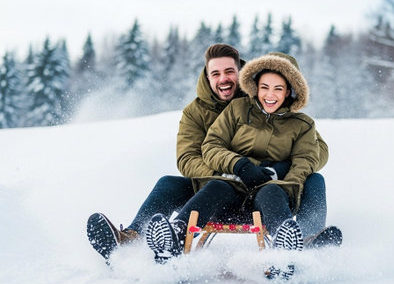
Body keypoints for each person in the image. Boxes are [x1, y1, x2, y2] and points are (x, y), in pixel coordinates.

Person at [87, 44, 333, 262]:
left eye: (230, 72)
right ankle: (133, 239)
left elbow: (315, 150)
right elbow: (188, 158)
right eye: (216, 73)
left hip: (268, 189)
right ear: (207, 76)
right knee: (168, 184)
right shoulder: (198, 113)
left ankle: (306, 241)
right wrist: (232, 172)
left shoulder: (266, 100)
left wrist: (280, 168)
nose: (223, 79)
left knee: (314, 179)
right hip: (217, 187)